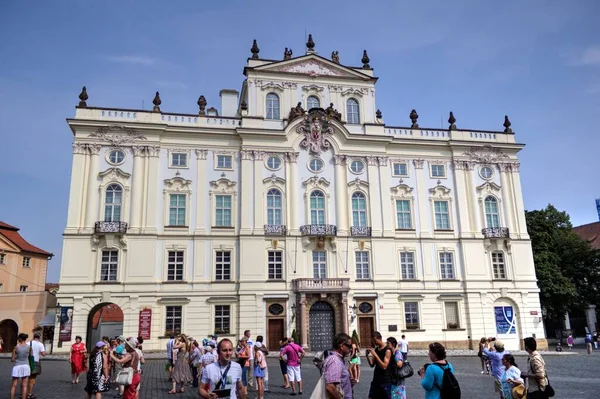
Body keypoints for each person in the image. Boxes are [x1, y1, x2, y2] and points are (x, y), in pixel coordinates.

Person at [322, 333, 355, 399]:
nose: (351, 349)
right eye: (349, 346)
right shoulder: (335, 361)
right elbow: (330, 387)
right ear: (342, 346)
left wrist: (347, 380)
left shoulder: (336, 359)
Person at [366, 331, 392, 399]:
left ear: (380, 338)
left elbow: (384, 367)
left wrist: (375, 355)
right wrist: (367, 356)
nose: (374, 342)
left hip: (385, 381)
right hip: (376, 380)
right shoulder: (377, 349)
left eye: (375, 340)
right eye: (373, 341)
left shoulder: (387, 350)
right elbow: (372, 365)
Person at [10, 333, 30, 399]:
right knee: (24, 385)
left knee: (14, 385)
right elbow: (31, 356)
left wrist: (16, 357)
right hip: (26, 366)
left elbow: (12, 359)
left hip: (17, 366)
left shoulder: (16, 347)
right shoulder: (29, 347)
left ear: (20, 339)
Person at [27, 331, 46, 399]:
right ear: (39, 337)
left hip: (27, 361)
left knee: (25, 378)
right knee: (32, 379)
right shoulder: (40, 344)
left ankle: (22, 393)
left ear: (33, 336)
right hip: (35, 362)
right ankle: (29, 394)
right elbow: (43, 354)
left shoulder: (28, 343)